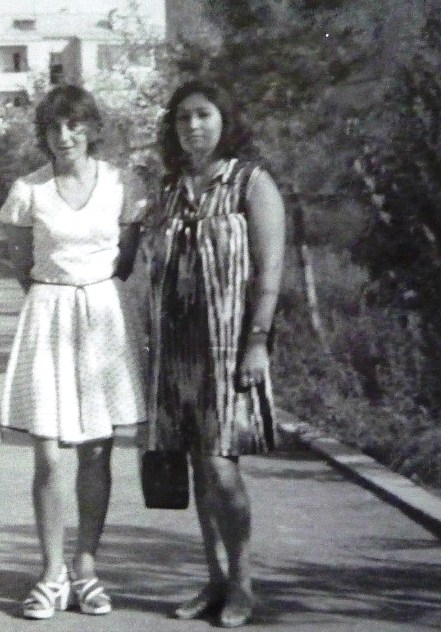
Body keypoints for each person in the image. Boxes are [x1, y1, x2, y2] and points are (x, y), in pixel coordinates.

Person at [137, 79, 285, 628]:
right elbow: (142, 260)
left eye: (203, 114)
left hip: (229, 345)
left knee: (222, 466)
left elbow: (270, 271)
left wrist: (258, 342)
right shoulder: (169, 190)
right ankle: (215, 578)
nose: (193, 126)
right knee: (196, 466)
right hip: (176, 347)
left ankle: (244, 582)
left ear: (225, 120)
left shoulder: (251, 182)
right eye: (183, 118)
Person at [0, 84, 145, 620]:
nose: (64, 136)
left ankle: (86, 569)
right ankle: (51, 572)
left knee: (96, 451)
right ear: (44, 134)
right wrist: (56, 295)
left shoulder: (121, 183)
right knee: (47, 452)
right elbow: (20, 262)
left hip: (102, 315)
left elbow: (126, 257)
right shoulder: (28, 189)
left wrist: (91, 293)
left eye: (74, 124)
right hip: (49, 312)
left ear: (91, 128)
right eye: (54, 127)